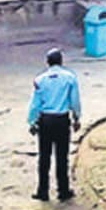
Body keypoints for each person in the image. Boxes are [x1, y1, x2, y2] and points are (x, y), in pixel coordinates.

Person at [27, 48, 81, 201]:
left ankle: (42, 191)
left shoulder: (40, 80)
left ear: (47, 62)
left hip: (45, 121)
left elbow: (35, 104)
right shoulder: (70, 78)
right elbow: (74, 101)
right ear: (61, 61)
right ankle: (63, 191)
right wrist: (77, 118)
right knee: (62, 157)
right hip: (62, 120)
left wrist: (32, 122)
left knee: (44, 157)